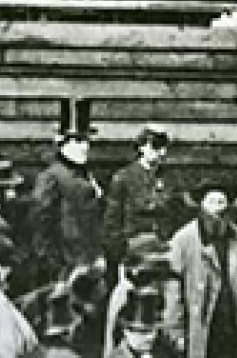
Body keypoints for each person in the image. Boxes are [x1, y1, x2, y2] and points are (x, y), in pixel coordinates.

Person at [162, 179, 237, 358]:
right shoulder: (184, 240)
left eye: (221, 202)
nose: (217, 208)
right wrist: (175, 333)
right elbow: (172, 292)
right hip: (200, 329)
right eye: (211, 202)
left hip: (232, 327)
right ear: (201, 206)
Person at [30, 100, 104, 281]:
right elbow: (42, 225)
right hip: (66, 267)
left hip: (90, 264)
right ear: (61, 142)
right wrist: (55, 266)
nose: (85, 147)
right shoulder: (51, 177)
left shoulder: (87, 176)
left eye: (86, 140)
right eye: (78, 141)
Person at [102, 126, 173, 278]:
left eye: (164, 147)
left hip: (162, 247)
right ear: (141, 147)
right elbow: (112, 220)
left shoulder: (167, 178)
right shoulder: (124, 177)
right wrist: (119, 253)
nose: (162, 153)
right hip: (133, 247)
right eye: (156, 146)